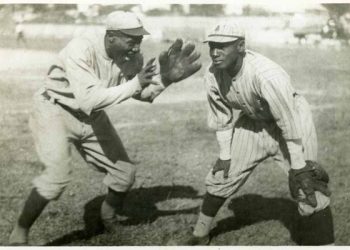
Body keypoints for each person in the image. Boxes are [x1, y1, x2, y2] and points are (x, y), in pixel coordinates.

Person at [9, 11, 201, 245]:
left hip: (91, 115)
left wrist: (166, 79)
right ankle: (19, 232)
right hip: (55, 109)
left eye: (139, 40)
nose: (136, 47)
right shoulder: (82, 48)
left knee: (124, 173)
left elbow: (143, 93)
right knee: (56, 178)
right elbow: (89, 99)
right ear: (111, 37)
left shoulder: (131, 56)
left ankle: (107, 217)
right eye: (131, 40)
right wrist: (136, 82)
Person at [172, 21, 334, 245]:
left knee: (308, 187)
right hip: (254, 120)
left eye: (223, 46)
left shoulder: (266, 74)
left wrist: (298, 166)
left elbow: (288, 121)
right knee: (222, 175)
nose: (215, 52)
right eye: (212, 46)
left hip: (292, 121)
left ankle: (326, 246)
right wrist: (225, 154)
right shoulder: (212, 74)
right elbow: (221, 115)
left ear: (240, 46)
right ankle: (200, 233)